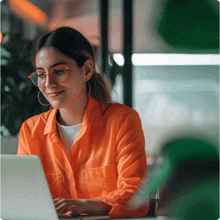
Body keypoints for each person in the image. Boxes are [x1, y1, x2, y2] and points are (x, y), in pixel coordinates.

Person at [17, 26, 149, 218]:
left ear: (86, 70)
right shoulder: (30, 130)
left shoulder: (121, 120)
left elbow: (137, 195)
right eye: (41, 74)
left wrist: (85, 205)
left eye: (59, 71)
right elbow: (23, 198)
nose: (49, 83)